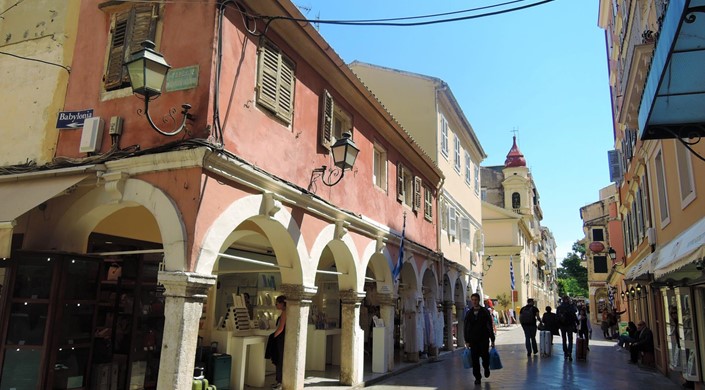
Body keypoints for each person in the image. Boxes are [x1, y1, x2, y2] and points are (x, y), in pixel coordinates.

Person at [464, 293, 496, 385]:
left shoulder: (485, 312)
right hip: (473, 340)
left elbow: (489, 325)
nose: (474, 301)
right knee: (475, 360)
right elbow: (466, 327)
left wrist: (492, 339)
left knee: (485, 356)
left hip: (484, 339)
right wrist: (466, 340)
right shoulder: (469, 313)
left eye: (476, 300)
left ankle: (486, 367)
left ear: (478, 300)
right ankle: (477, 377)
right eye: (472, 300)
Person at [271, 295, 287, 390]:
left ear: (282, 303)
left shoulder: (284, 313)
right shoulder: (284, 312)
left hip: (281, 339)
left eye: (277, 303)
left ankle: (280, 382)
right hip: (282, 338)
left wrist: (273, 337)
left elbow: (281, 328)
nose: (276, 305)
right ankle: (279, 381)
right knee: (279, 359)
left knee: (279, 360)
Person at [556, 296, 578, 361]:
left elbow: (557, 317)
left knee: (564, 339)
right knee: (570, 339)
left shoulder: (559, 307)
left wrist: (558, 325)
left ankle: (565, 352)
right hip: (570, 325)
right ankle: (570, 352)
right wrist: (577, 322)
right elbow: (575, 313)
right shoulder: (571, 306)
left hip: (562, 326)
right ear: (568, 299)